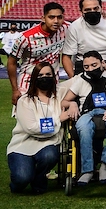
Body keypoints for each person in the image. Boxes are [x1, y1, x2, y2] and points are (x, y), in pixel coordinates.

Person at [61, 51, 106, 185]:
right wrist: (72, 104)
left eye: (94, 65)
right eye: (86, 67)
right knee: (83, 128)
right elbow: (64, 101)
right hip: (87, 113)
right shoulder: (80, 79)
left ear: (102, 63)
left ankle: (104, 166)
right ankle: (88, 170)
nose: (90, 69)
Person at [7, 61, 71, 194]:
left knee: (49, 155)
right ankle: (21, 180)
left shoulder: (60, 93)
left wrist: (104, 65)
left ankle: (39, 180)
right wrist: (58, 120)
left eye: (48, 74)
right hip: (23, 146)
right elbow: (32, 128)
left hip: (47, 144)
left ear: (53, 77)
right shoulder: (24, 101)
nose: (44, 78)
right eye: (40, 75)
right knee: (22, 179)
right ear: (34, 78)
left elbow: (80, 80)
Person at [8, 2, 69, 106]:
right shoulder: (26, 37)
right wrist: (15, 90)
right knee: (27, 113)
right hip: (28, 81)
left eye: (59, 17)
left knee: (52, 113)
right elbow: (11, 63)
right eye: (51, 17)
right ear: (43, 18)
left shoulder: (66, 28)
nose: (56, 21)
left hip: (52, 81)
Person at [61, 0, 106, 77]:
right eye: (88, 10)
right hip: (84, 67)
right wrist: (73, 79)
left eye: (96, 8)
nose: (92, 12)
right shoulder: (75, 27)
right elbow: (66, 56)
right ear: (81, 12)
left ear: (101, 8)